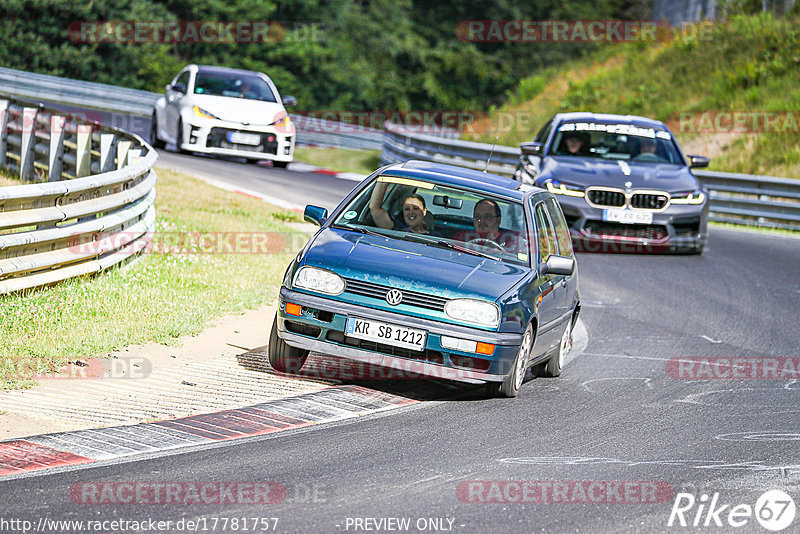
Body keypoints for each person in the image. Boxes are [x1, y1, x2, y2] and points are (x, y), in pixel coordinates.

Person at [453, 199, 519, 252]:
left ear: (498, 221)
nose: (482, 220)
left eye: (487, 216)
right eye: (478, 216)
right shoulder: (462, 238)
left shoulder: (511, 243)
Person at [369, 181, 434, 234]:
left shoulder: (436, 236)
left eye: (415, 208)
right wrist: (383, 179)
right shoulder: (396, 228)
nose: (411, 212)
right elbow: (374, 208)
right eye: (407, 209)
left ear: (424, 211)